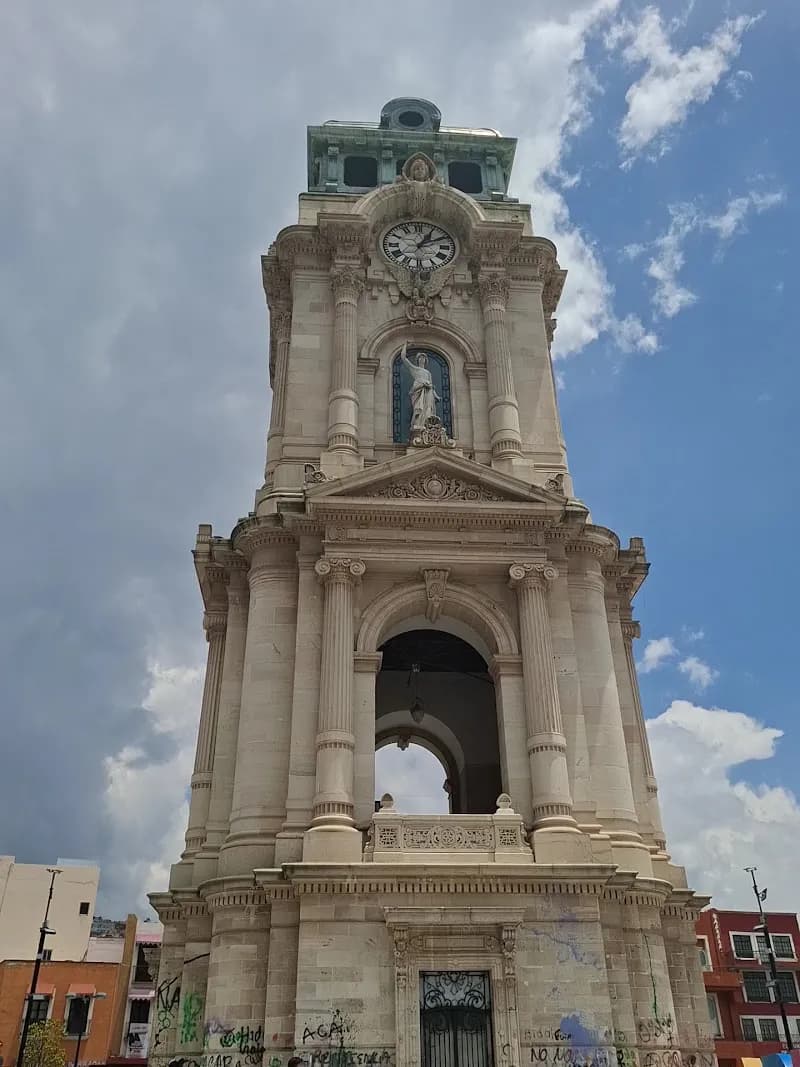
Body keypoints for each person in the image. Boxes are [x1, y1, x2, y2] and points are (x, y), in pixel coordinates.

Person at [400, 342, 440, 432]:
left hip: (428, 390)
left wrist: (436, 395)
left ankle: (427, 424)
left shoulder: (428, 373)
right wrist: (405, 345)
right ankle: (418, 424)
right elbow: (404, 358)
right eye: (420, 358)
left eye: (424, 358)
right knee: (419, 408)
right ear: (417, 360)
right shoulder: (415, 369)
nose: (422, 360)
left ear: (426, 360)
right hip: (418, 390)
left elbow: (431, 385)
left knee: (428, 407)